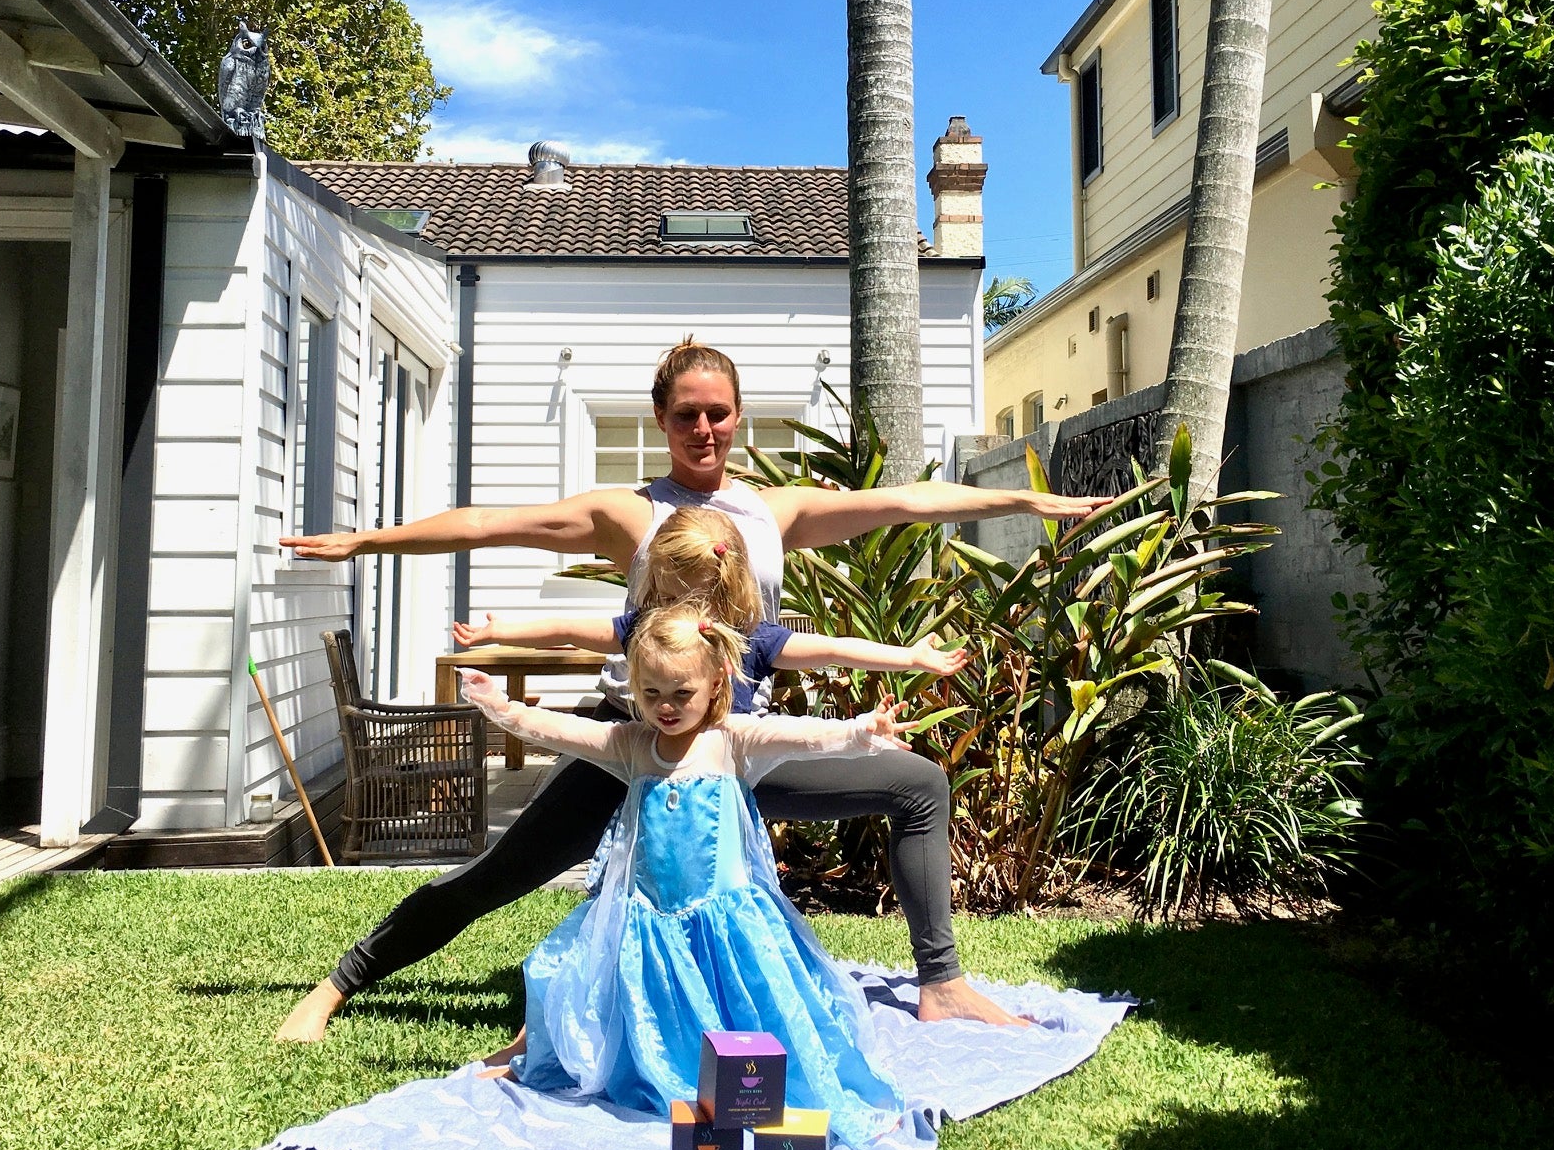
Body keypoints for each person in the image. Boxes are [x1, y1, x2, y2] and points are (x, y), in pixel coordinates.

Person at [276, 338, 1112, 1042]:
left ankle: (943, 983)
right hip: (631, 746)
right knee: (497, 877)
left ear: (737, 417)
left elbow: (903, 502)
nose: (704, 428)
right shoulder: (629, 513)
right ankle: (339, 983)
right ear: (662, 420)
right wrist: (364, 541)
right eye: (687, 414)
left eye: (718, 412)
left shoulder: (772, 512)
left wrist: (1026, 497)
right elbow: (490, 522)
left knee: (919, 785)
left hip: (738, 746)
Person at [459, 605, 911, 1149]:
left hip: (725, 922)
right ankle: (663, 1073)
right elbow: (559, 729)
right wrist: (499, 705)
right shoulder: (631, 745)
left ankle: (750, 1086)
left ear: (716, 681)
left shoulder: (732, 740)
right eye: (651, 695)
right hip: (650, 921)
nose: (666, 708)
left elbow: (804, 736)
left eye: (680, 693)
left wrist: (865, 732)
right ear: (633, 686)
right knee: (631, 1005)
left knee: (747, 1007)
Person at [452, 506, 970, 712]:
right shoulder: (645, 630)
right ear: (655, 580)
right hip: (652, 768)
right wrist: (504, 630)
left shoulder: (752, 639)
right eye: (673, 592)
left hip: (728, 772)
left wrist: (909, 657)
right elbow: (572, 629)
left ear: (726, 585)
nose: (682, 606)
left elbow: (834, 650)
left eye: (693, 596)